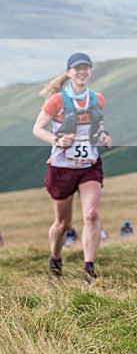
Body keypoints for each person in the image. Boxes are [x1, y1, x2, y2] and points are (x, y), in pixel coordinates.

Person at [32, 52, 112, 285]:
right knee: (63, 224)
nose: (82, 72)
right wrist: (56, 140)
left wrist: (103, 136)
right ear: (69, 72)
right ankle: (55, 259)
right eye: (77, 68)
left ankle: (89, 271)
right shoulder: (57, 100)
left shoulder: (97, 99)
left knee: (92, 214)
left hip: (89, 165)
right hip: (62, 167)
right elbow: (38, 128)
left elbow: (97, 126)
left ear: (90, 71)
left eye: (86, 68)